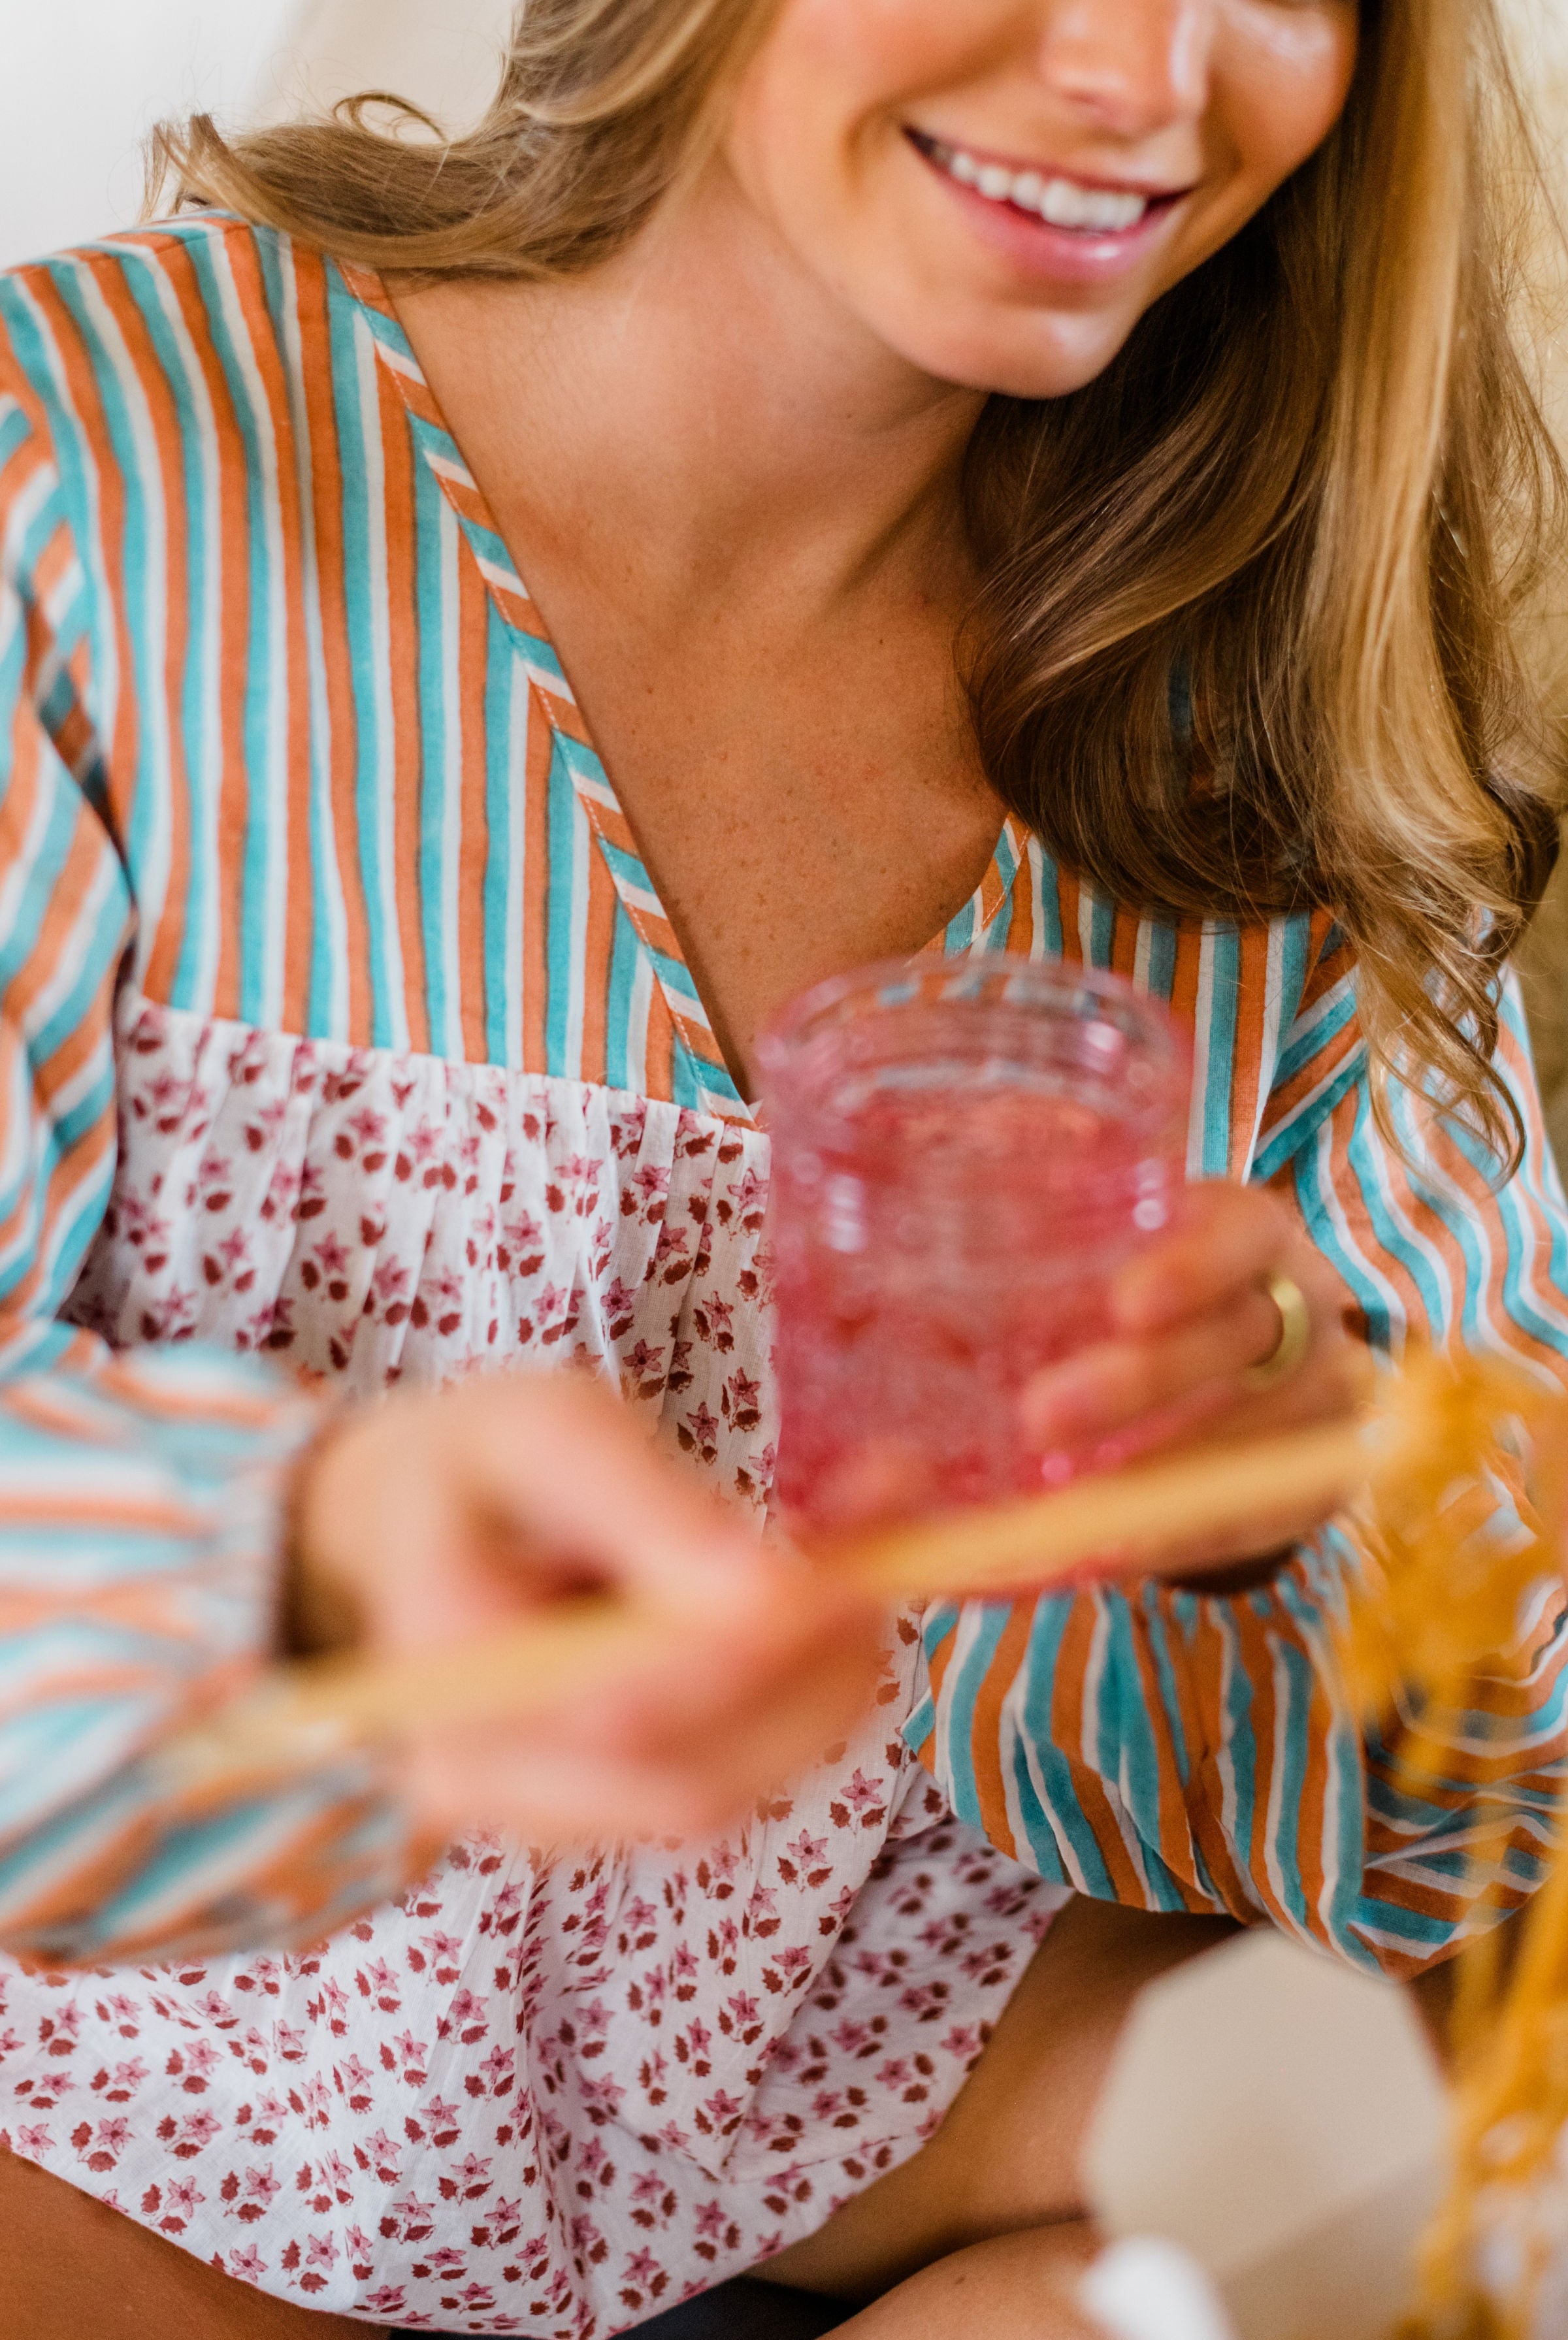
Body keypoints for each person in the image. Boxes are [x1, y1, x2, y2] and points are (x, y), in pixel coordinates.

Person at [1, 0, 1565, 2334]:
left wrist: (1292, 1503)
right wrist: (307, 1553)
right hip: (104, 2096)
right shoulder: (81, 473)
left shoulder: (1272, 704)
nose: (1147, 75)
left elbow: (1484, 1806)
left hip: (881, 2072)